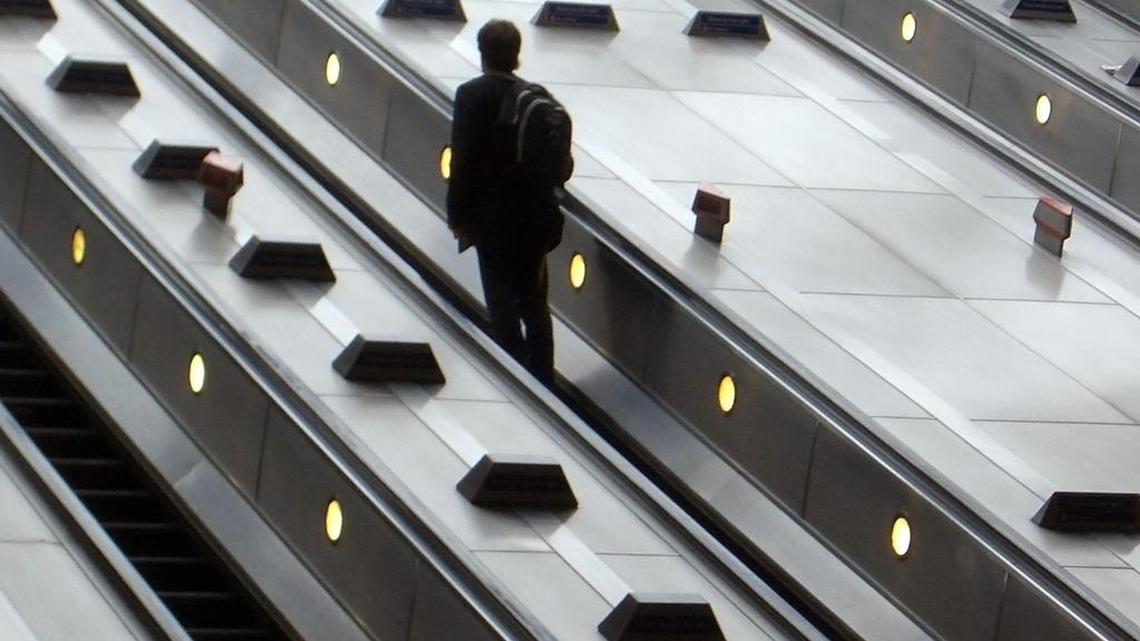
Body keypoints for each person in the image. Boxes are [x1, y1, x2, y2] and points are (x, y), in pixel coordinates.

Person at [446, 19, 567, 384]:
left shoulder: (472, 95)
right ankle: (544, 378)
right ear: (516, 55)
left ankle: (514, 379)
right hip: (536, 217)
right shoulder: (538, 97)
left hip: (493, 217)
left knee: (501, 300)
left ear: (483, 53)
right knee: (534, 301)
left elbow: (462, 159)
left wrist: (457, 214)